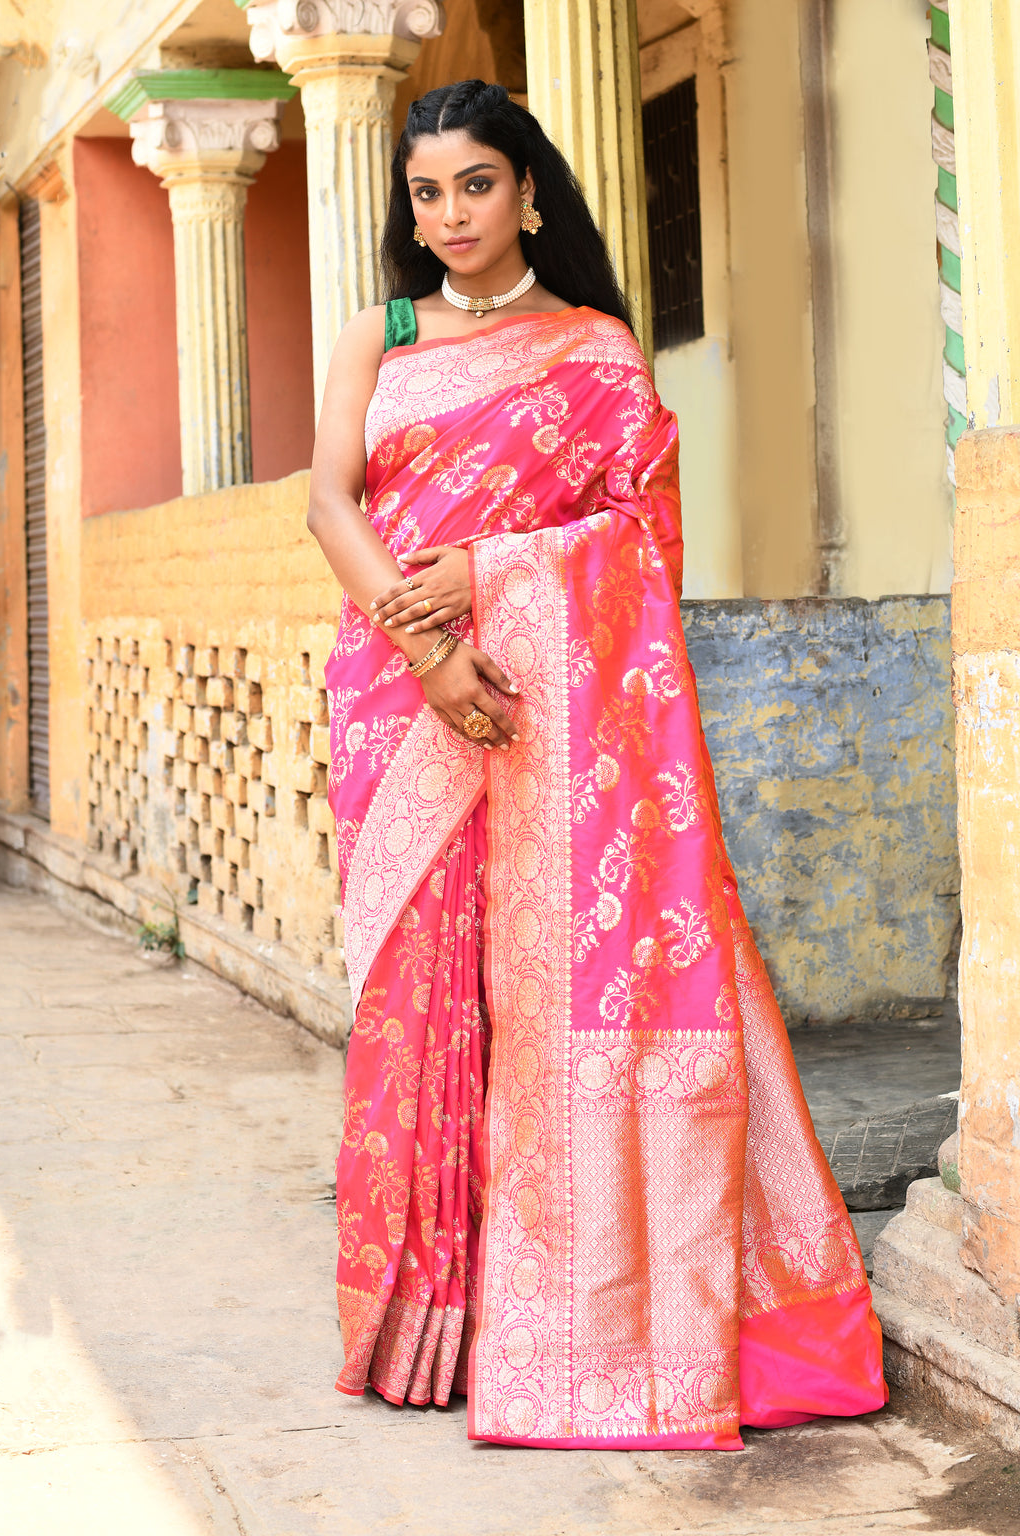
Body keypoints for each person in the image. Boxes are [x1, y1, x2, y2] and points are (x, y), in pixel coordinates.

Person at [307, 78, 887, 1450]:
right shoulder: (380, 338)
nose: (449, 216)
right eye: (427, 193)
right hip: (405, 704)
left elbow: (639, 543)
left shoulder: (598, 348)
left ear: (531, 190)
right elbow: (331, 500)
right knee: (422, 1005)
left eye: (476, 185)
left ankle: (565, 1311)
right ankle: (423, 1326)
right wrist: (431, 646)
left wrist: (498, 579)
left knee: (547, 1005)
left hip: (558, 712)